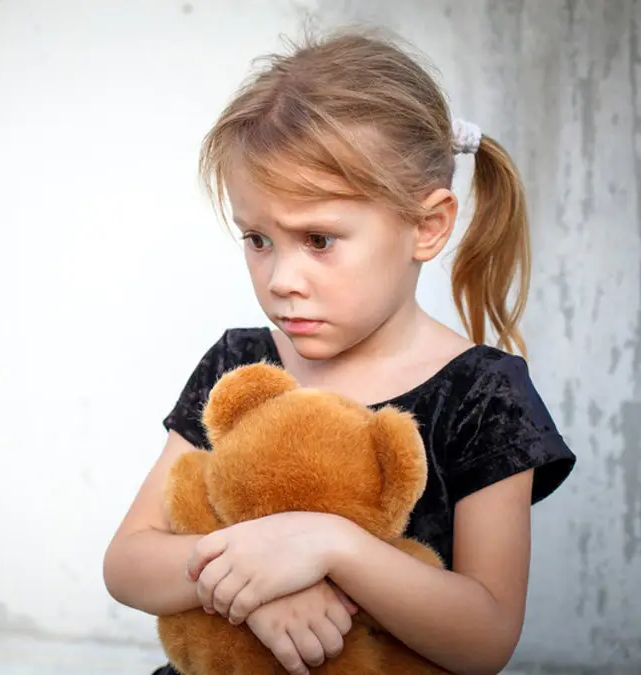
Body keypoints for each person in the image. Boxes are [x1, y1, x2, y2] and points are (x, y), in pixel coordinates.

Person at [102, 25, 576, 675]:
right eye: (258, 239)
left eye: (319, 240)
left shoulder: (483, 396)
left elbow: (485, 637)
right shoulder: (239, 365)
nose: (281, 279)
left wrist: (330, 546)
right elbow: (127, 562)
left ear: (427, 226)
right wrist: (255, 583)